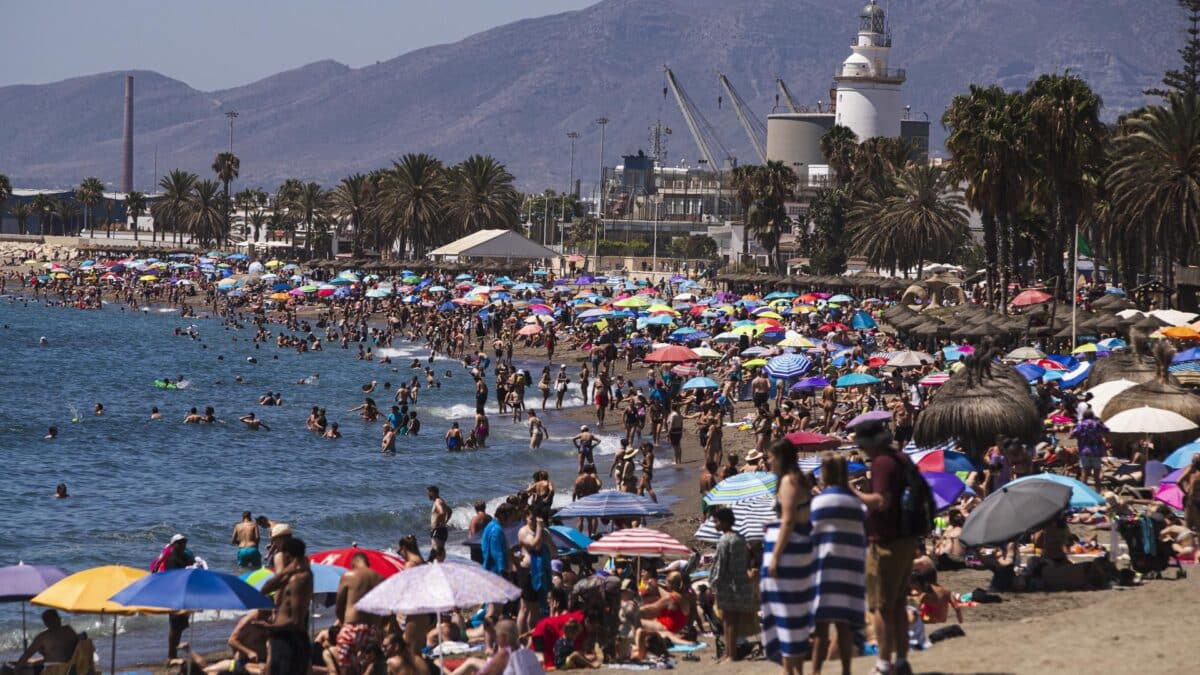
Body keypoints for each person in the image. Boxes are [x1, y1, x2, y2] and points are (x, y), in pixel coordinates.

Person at [849, 413, 917, 675]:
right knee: (898, 603)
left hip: (886, 539)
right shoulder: (901, 457)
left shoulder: (882, 464)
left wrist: (853, 492)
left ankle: (883, 663)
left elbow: (881, 501)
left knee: (879, 605)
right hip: (906, 536)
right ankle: (901, 659)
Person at [810, 453, 867, 675]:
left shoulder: (820, 501)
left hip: (825, 566)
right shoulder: (855, 502)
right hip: (851, 566)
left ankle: (815, 670)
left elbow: (811, 535)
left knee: (821, 626)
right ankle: (845, 670)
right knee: (845, 624)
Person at [761, 439, 814, 674]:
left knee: (787, 614)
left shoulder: (789, 481)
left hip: (789, 555)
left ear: (781, 457)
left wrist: (774, 557)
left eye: (771, 457)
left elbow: (790, 520)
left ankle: (790, 671)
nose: (768, 461)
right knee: (791, 613)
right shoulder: (795, 479)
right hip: (793, 550)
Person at [257, 537, 314, 675]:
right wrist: (285, 571)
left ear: (287, 555)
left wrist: (269, 627)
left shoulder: (299, 579)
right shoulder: (293, 575)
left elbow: (296, 621)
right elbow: (265, 589)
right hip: (284, 636)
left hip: (290, 638)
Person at [709, 506, 755, 663]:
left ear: (723, 522)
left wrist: (713, 584)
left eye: (716, 521)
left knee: (728, 621)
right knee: (733, 621)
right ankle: (730, 653)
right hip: (741, 583)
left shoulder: (724, 540)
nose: (714, 524)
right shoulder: (740, 538)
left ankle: (730, 654)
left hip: (728, 585)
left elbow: (720, 566)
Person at [335, 551, 384, 675]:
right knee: (369, 667)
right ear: (368, 563)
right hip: (373, 628)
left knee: (345, 667)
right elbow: (385, 609)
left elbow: (339, 606)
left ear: (353, 564)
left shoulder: (349, 575)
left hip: (352, 626)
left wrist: (342, 622)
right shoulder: (380, 578)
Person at [163, 534, 196, 661]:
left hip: (184, 594)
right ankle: (171, 656)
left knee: (181, 626)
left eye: (184, 542)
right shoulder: (172, 559)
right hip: (175, 595)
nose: (183, 544)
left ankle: (174, 653)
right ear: (173, 544)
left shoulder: (184, 556)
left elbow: (190, 566)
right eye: (180, 542)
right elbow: (172, 578)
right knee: (175, 626)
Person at [1070, 410, 1109, 493]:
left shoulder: (1080, 425)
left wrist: (1071, 428)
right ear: (1092, 416)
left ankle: (1084, 494)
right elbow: (1107, 430)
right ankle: (1098, 494)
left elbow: (1071, 436)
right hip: (1096, 452)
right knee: (1096, 476)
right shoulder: (1097, 424)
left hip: (1084, 451)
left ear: (1084, 416)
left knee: (1084, 474)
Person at [428, 485, 451, 562]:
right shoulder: (441, 501)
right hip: (442, 530)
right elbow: (450, 511)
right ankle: (441, 567)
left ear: (433, 493)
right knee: (439, 552)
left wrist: (436, 524)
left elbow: (442, 512)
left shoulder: (437, 502)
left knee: (435, 552)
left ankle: (437, 568)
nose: (427, 495)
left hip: (437, 530)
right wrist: (445, 522)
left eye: (428, 493)